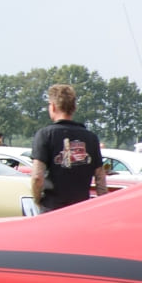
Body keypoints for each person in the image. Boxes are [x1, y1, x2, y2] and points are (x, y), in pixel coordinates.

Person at [30, 83, 106, 212]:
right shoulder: (91, 138)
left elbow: (37, 176)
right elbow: (101, 180)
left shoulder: (45, 135)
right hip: (81, 209)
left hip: (52, 209)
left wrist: (37, 200)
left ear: (53, 107)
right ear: (74, 107)